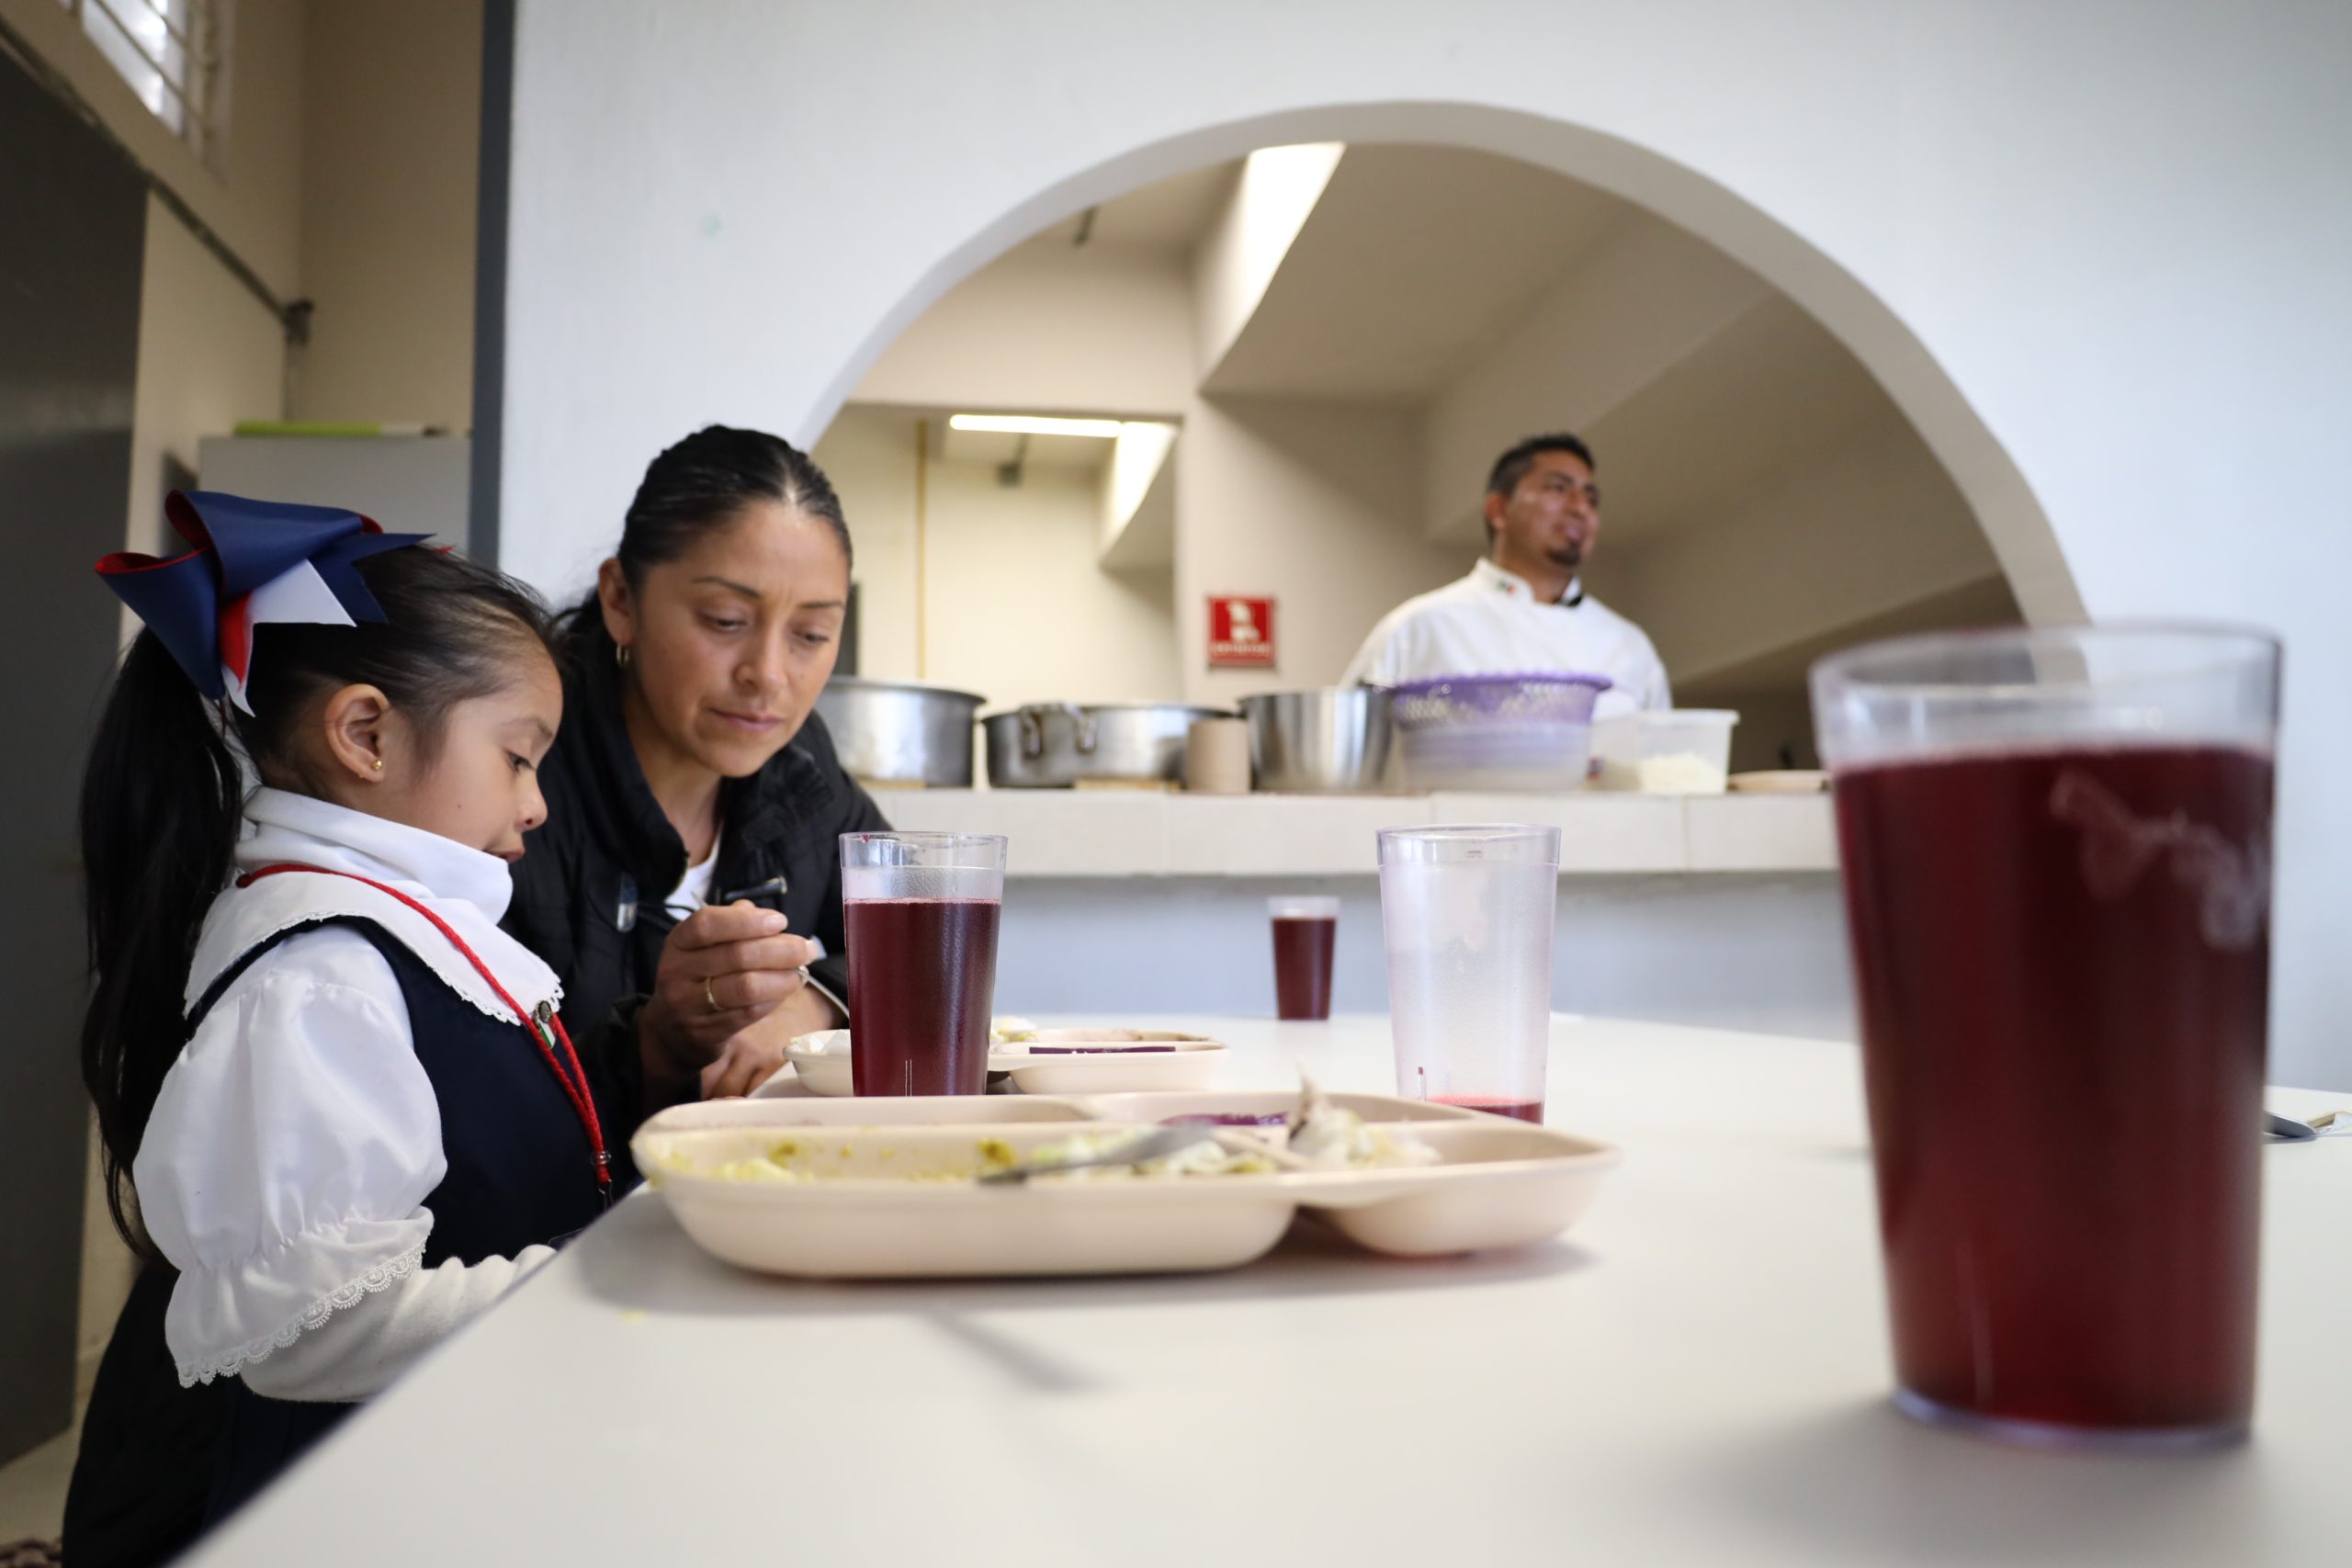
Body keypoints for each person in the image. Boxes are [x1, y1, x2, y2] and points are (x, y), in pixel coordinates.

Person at [67, 492, 600, 1552]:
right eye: (518, 755)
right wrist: (594, 1287)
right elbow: (315, 1332)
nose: (536, 804)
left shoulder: (376, 940)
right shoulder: (321, 974)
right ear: (365, 733)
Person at [503, 426, 888, 1152]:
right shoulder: (514, 789)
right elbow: (479, 1130)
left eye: (810, 634)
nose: (768, 674)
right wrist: (658, 1046)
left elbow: (924, 943)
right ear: (621, 599)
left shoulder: (802, 772)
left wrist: (817, 1000)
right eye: (726, 621)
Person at [1341, 433, 1670, 716]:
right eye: (1558, 488)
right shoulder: (1421, 628)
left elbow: (1663, 772)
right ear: (1498, 510)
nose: (1579, 507)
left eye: (1591, 498)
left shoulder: (1629, 646)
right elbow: (1350, 754)